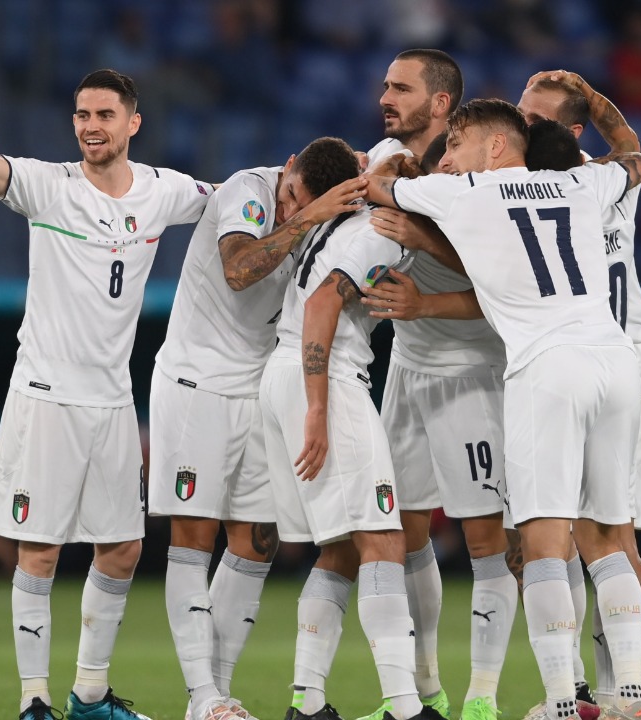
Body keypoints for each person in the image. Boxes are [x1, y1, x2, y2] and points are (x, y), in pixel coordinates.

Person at [0, 32, 213, 720]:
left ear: (132, 123)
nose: (90, 126)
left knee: (121, 548)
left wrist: (312, 186)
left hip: (113, 401)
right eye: (82, 115)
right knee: (40, 550)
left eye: (104, 115)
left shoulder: (163, 191)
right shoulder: (47, 185)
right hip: (48, 396)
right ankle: (33, 700)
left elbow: (232, 201)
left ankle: (89, 697)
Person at [362, 98, 641, 720]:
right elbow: (634, 162)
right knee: (605, 535)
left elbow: (382, 187)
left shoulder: (465, 193)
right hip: (614, 358)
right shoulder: (577, 180)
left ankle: (561, 703)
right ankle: (630, 694)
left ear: (495, 148)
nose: (448, 158)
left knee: (546, 538)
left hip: (547, 370)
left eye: (457, 145)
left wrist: (407, 170)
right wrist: (603, 115)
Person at [150, 137, 367, 720]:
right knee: (193, 541)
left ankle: (215, 694)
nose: (294, 209)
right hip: (197, 383)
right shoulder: (248, 189)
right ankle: (203, 698)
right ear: (288, 166)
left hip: (258, 387)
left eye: (306, 205)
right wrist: (311, 217)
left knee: (258, 543)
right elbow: (240, 269)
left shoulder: (327, 201)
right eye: (293, 196)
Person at [356, 50, 517, 720]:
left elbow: (508, 287)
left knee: (486, 542)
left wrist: (420, 234)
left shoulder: (485, 176)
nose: (385, 96)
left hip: (472, 372)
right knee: (402, 529)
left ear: (443, 102)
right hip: (407, 367)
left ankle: (482, 698)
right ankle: (424, 694)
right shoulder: (382, 158)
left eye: (402, 88)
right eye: (386, 84)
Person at [259, 154, 443, 719]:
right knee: (384, 539)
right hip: (326, 378)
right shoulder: (379, 231)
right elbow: (322, 304)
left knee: (339, 548)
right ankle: (406, 708)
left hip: (284, 372)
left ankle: (306, 702)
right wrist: (319, 407)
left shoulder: (348, 218)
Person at [518, 70, 641, 720]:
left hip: (595, 362)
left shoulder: (537, 187)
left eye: (535, 118)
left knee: (585, 534)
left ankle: (587, 693)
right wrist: (595, 95)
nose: (519, 125)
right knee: (612, 534)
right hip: (625, 356)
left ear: (569, 130)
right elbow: (631, 143)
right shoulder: (610, 179)